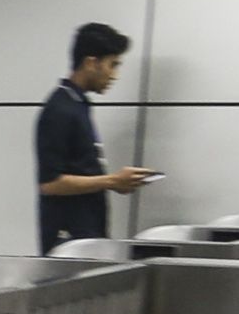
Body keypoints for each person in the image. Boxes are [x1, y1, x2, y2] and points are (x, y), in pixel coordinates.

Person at [36, 22, 153, 250]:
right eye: (113, 65)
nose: (115, 75)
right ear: (91, 63)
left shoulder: (78, 104)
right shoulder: (60, 110)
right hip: (67, 241)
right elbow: (50, 183)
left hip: (86, 233)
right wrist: (112, 181)